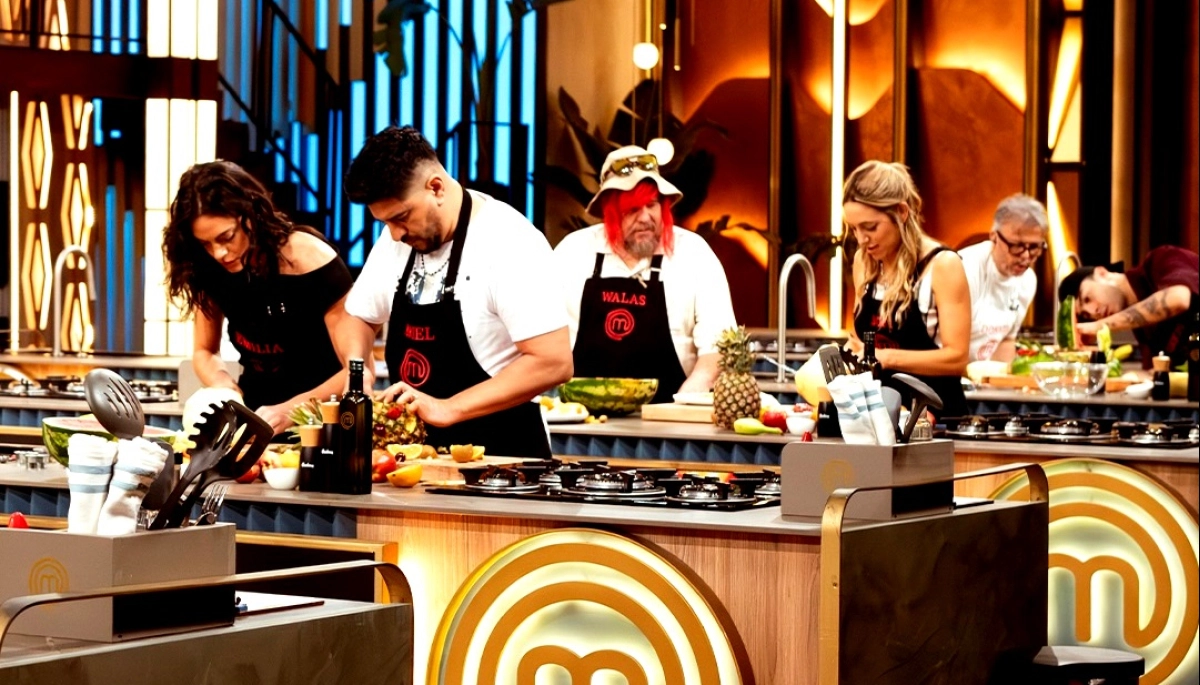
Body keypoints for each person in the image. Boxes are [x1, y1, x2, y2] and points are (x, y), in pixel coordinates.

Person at [339, 126, 572, 458]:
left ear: (435, 187)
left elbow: (554, 361)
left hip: (503, 457)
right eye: (385, 223)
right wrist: (357, 370)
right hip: (416, 458)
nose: (394, 235)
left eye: (401, 218)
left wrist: (448, 408)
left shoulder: (509, 242)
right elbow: (358, 317)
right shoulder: (397, 242)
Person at [164, 161, 355, 434]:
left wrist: (292, 409)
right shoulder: (211, 270)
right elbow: (205, 351)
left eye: (226, 237)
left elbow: (356, 370)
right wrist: (224, 386)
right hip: (258, 419)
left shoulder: (309, 258)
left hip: (325, 422)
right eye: (206, 244)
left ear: (251, 215)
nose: (218, 253)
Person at [551, 146, 737, 403]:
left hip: (669, 413)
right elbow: (543, 339)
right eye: (632, 209)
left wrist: (686, 400)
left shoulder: (693, 254)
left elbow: (719, 345)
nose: (645, 218)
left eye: (652, 205)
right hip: (581, 415)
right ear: (609, 212)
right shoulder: (573, 252)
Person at [843, 160, 971, 419]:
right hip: (878, 415)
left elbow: (957, 358)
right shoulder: (863, 262)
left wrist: (887, 358)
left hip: (937, 418)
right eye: (854, 228)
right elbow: (861, 341)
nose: (862, 239)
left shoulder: (942, 265)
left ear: (902, 212)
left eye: (870, 227)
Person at [1057, 246, 1199, 369]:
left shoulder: (1160, 258)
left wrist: (1100, 326)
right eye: (1086, 315)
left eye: (1087, 298)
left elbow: (1179, 298)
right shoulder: (1142, 330)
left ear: (1102, 274)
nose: (1093, 312)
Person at [959, 194, 1048, 362]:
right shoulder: (966, 268)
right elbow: (950, 346)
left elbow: (1005, 340)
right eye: (1017, 246)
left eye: (1034, 247)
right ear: (994, 236)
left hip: (983, 373)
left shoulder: (1028, 280)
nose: (1026, 256)